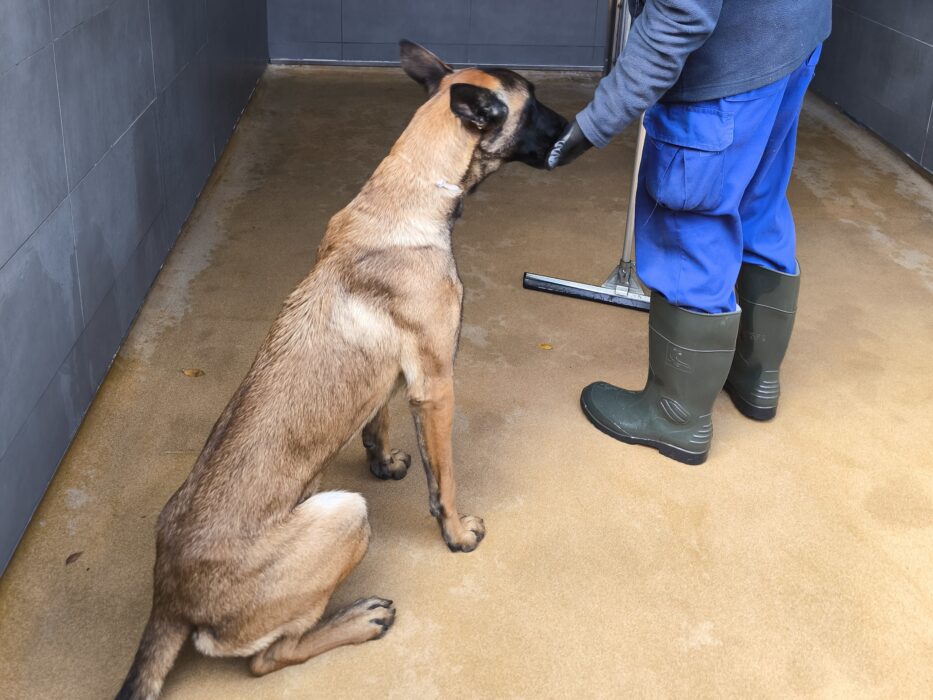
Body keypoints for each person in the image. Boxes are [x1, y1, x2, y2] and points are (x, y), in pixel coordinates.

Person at [547, 0, 831, 465]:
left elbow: (681, 12)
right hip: (793, 37)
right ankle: (756, 376)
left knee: (691, 219)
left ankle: (675, 414)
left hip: (729, 60)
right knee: (760, 199)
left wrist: (597, 121)